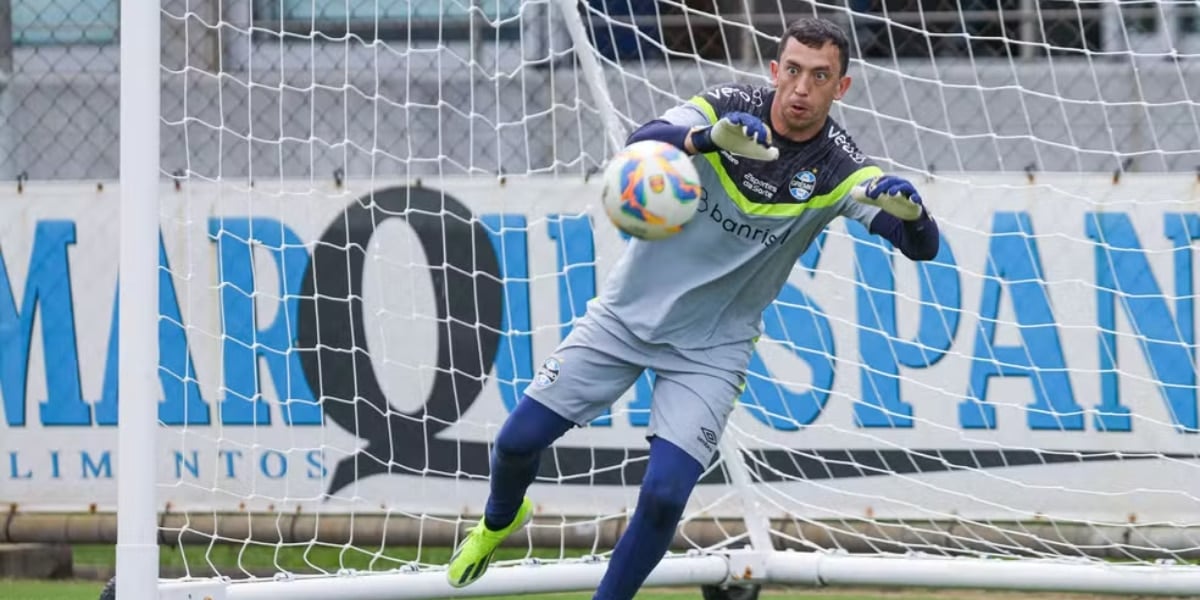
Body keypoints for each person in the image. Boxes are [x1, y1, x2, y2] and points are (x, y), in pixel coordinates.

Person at [447, 16, 940, 600]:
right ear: (774, 70)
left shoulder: (840, 168)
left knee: (662, 500)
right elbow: (641, 142)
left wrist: (916, 217)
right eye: (793, 71)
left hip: (711, 347)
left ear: (842, 87)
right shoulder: (729, 108)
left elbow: (919, 245)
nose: (802, 88)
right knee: (516, 443)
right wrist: (708, 142)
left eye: (820, 76)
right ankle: (500, 520)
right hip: (625, 317)